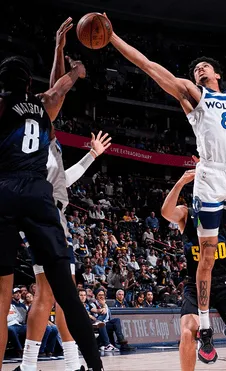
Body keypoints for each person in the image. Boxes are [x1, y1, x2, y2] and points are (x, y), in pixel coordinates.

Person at [107, 15, 226, 362]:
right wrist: (114, 38)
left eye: (204, 67)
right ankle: (205, 326)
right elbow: (148, 66)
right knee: (206, 255)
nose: (199, 70)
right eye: (196, 69)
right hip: (209, 175)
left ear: (217, 73)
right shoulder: (193, 94)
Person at [17, 19, 113, 371]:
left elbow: (64, 181)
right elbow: (56, 93)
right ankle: (31, 364)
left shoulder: (39, 137)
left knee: (61, 292)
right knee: (50, 293)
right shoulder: (38, 136)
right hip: (47, 214)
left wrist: (58, 49)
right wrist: (74, 72)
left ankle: (70, 362)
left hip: (46, 209)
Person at [0, 54, 103, 370]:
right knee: (64, 297)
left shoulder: (13, 114)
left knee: (25, 296)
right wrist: (74, 70)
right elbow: (60, 88)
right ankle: (80, 365)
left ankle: (38, 364)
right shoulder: (44, 119)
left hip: (9, 196)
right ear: (30, 84)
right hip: (43, 208)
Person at [160, 169, 226, 371]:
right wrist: (181, 181)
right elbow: (166, 212)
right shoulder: (187, 214)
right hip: (195, 284)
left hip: (225, 283)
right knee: (188, 332)